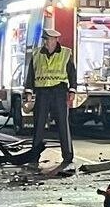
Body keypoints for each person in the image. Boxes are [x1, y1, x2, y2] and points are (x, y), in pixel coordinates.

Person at [25, 28, 76, 170]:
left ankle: (68, 155)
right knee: (39, 124)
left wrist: (72, 90)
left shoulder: (66, 53)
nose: (46, 42)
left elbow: (72, 72)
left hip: (59, 91)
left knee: (62, 125)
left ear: (55, 40)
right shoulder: (37, 53)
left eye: (48, 39)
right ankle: (34, 156)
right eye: (45, 39)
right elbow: (31, 74)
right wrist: (28, 92)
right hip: (42, 93)